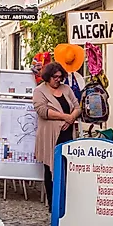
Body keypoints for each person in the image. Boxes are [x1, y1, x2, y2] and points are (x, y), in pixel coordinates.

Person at [33, 61, 80, 217]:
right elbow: (42, 111)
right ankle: (53, 203)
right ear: (48, 77)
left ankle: (66, 201)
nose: (58, 80)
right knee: (50, 167)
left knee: (67, 167)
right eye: (55, 77)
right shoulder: (40, 91)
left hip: (67, 134)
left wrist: (71, 118)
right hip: (50, 136)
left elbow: (77, 106)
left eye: (61, 77)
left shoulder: (66, 89)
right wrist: (64, 117)